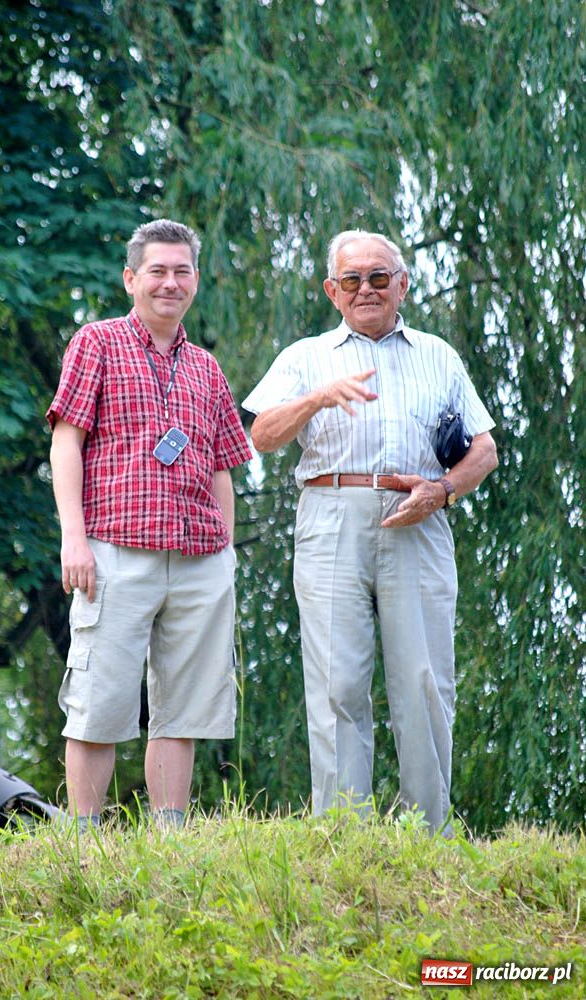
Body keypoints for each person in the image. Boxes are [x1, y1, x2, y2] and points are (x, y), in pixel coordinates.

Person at [243, 229, 498, 833]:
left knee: (425, 682)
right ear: (332, 290)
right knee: (337, 682)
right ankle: (344, 839)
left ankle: (427, 839)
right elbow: (261, 435)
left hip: (421, 516)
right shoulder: (306, 356)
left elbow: (484, 450)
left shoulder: (439, 355)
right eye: (352, 279)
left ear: (402, 284)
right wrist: (318, 398)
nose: (366, 289)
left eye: (379, 277)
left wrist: (442, 490)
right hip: (332, 515)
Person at [47, 219, 251, 829]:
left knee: (184, 709)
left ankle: (171, 838)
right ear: (131, 278)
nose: (170, 282)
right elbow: (66, 443)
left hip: (198, 558)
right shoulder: (96, 343)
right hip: (113, 549)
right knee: (99, 701)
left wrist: (228, 554)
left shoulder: (207, 369)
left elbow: (222, 468)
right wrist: (73, 539)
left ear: (195, 280)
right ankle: (84, 839)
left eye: (181, 270)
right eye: (157, 271)